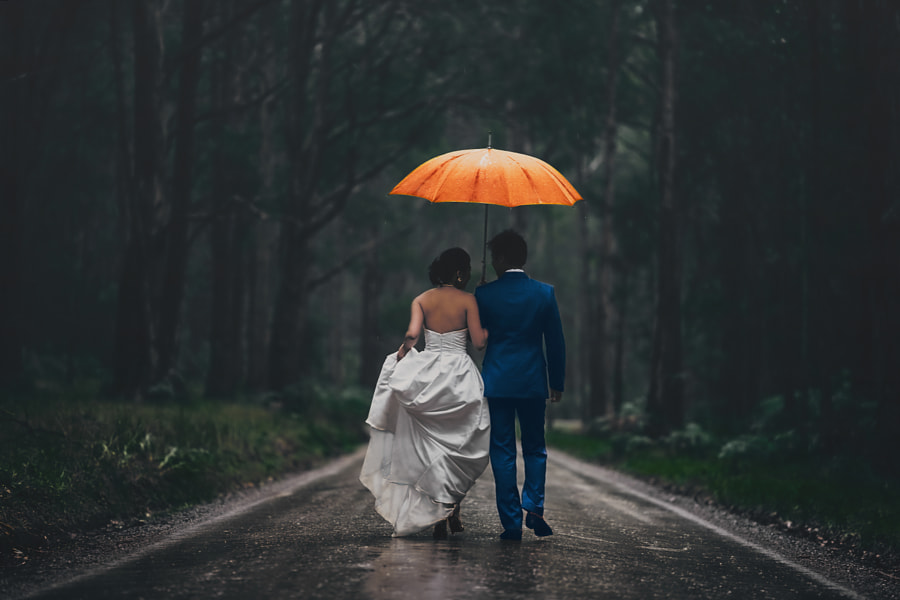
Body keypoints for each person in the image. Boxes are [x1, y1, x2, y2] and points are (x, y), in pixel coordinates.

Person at [359, 247, 490, 539]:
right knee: (459, 445)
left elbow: (412, 335)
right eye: (466, 271)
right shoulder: (469, 299)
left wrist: (403, 355)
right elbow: (479, 342)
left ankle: (437, 509)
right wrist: (486, 317)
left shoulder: (421, 299)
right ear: (459, 273)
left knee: (429, 447)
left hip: (428, 373)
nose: (468, 276)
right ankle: (452, 505)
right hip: (459, 376)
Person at [475, 229, 566, 541]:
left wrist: (482, 297)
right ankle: (535, 507)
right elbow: (555, 342)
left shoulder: (485, 295)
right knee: (535, 447)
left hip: (498, 381)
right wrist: (557, 381)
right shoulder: (544, 293)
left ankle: (511, 523)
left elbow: (480, 339)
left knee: (502, 450)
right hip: (532, 382)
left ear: (499, 259)